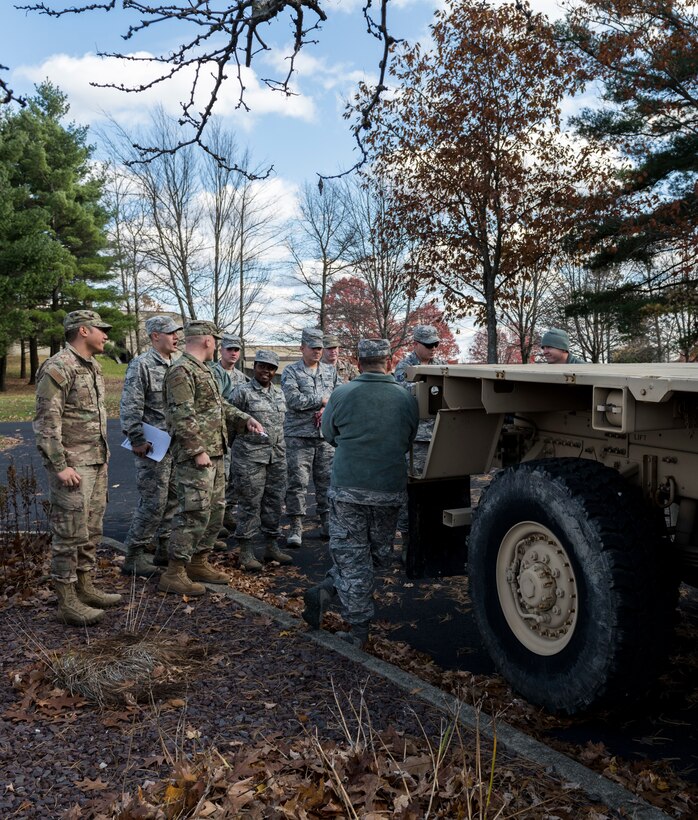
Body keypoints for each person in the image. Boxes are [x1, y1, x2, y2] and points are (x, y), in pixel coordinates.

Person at [302, 339, 419, 648]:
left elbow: (328, 433)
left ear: (358, 359)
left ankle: (332, 592)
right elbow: (409, 437)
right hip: (389, 489)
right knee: (376, 558)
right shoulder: (406, 397)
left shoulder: (342, 393)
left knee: (355, 560)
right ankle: (358, 630)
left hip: (348, 489)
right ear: (389, 360)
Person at [158, 320, 265, 596]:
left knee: (215, 512)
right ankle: (174, 572)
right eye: (216, 340)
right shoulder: (180, 370)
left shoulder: (202, 370)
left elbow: (219, 407)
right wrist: (197, 450)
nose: (217, 345)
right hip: (197, 457)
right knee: (193, 512)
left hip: (215, 453)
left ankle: (198, 562)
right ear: (207, 340)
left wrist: (245, 419)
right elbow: (181, 415)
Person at [34, 309, 122, 626]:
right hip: (72, 467)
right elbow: (46, 424)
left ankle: (85, 587)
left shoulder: (92, 367)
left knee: (91, 530)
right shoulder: (59, 366)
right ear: (83, 330)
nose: (106, 335)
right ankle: (67, 600)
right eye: (102, 329)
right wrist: (59, 465)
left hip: (96, 462)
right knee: (68, 534)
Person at [120, 315, 182, 576]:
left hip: (175, 445)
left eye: (176, 332)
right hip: (152, 446)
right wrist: (136, 439)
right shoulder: (141, 365)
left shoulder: (176, 364)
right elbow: (130, 405)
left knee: (172, 499)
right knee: (153, 502)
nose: (176, 337)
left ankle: (163, 548)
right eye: (170, 333)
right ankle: (134, 555)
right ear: (155, 336)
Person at [229, 350, 292, 571]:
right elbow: (228, 421)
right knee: (249, 503)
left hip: (276, 457)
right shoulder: (241, 392)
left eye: (272, 368)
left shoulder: (279, 394)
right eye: (263, 366)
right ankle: (246, 550)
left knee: (274, 502)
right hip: (249, 458)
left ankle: (271, 545)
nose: (267, 371)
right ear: (255, 366)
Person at [281, 327, 338, 547]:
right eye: (313, 347)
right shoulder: (291, 371)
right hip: (299, 437)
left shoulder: (330, 371)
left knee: (327, 483)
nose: (317, 351)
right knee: (297, 484)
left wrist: (328, 408)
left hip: (325, 437)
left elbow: (339, 395)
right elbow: (293, 399)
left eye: (320, 348)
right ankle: (296, 527)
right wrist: (322, 401)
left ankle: (327, 523)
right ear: (302, 347)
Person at [393, 324, 446, 536]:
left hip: (438, 435)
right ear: (415, 344)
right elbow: (403, 395)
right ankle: (408, 540)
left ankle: (431, 535)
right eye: (428, 345)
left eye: (436, 344)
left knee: (436, 488)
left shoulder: (441, 365)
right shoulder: (404, 366)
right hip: (415, 438)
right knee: (410, 489)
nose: (433, 348)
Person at [211, 333, 248, 536]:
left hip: (237, 435)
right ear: (221, 350)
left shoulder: (241, 377)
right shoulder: (212, 373)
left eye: (236, 350)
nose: (233, 353)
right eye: (229, 349)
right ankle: (214, 521)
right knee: (220, 476)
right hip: (218, 432)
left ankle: (226, 513)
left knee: (234, 476)